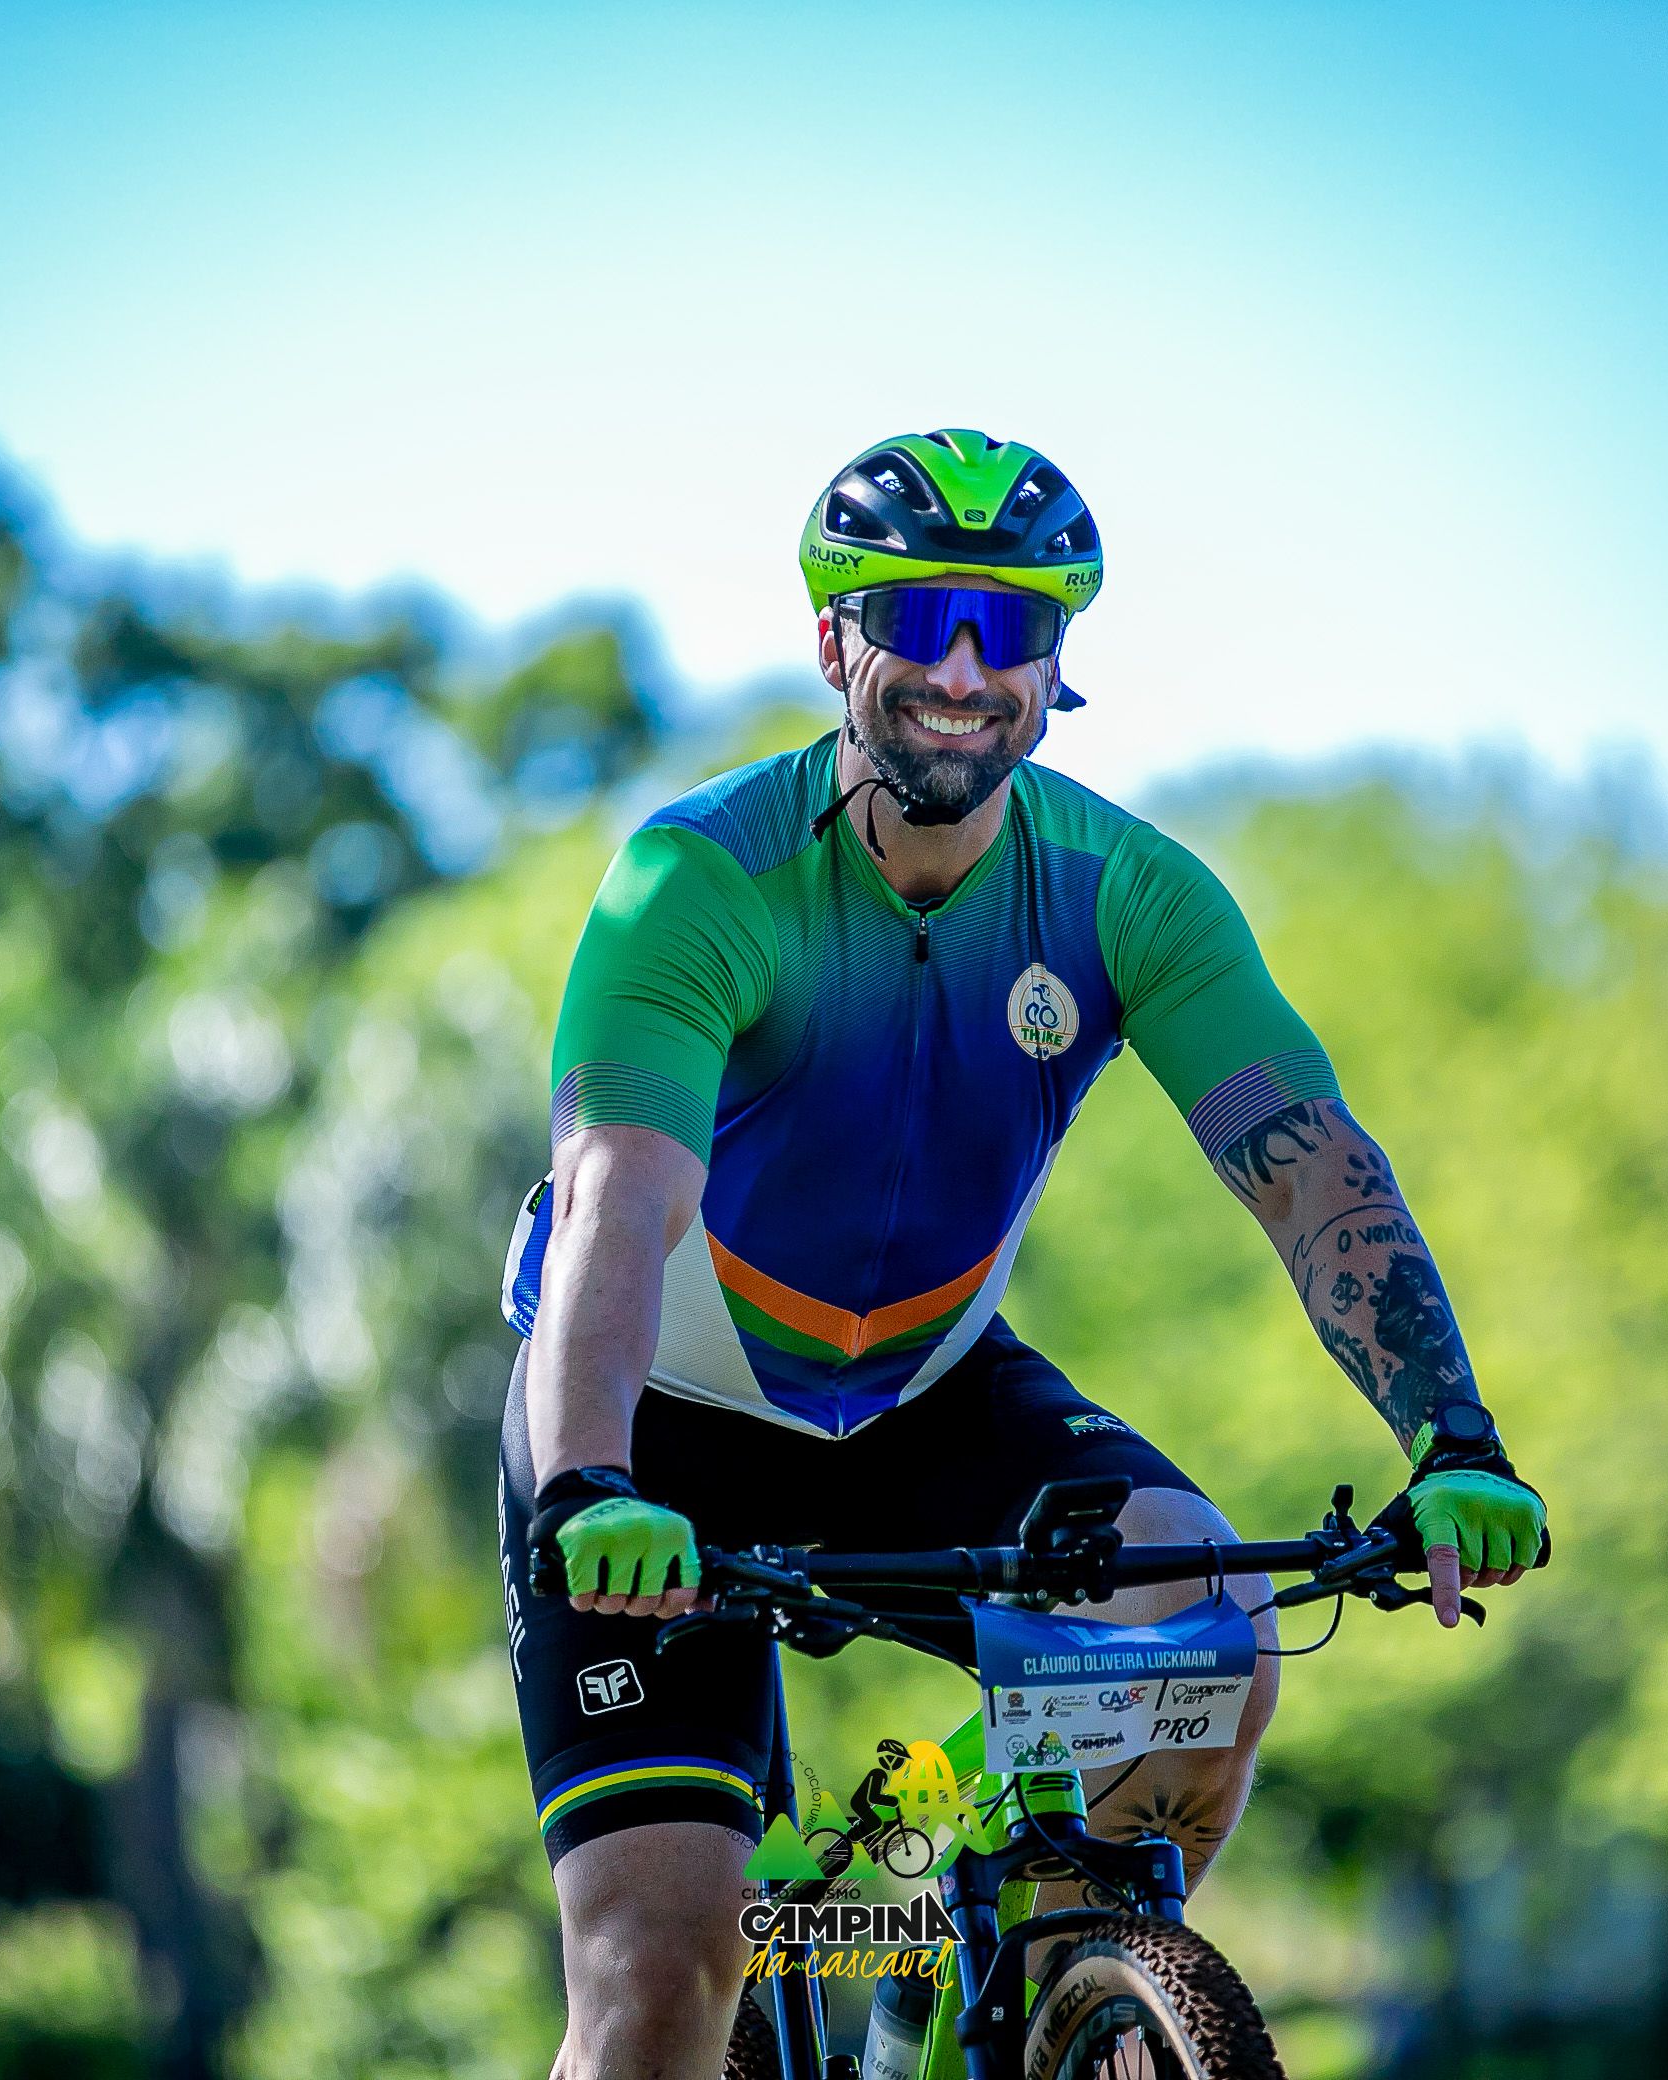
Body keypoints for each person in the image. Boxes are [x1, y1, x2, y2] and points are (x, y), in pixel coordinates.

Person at [494, 429, 1548, 2078]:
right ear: (834, 637)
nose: (966, 667)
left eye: (1016, 623)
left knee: (1208, 1618)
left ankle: (1016, 1984)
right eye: (921, 617)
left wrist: (1455, 1437)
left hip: (926, 1400)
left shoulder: (1130, 893)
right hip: (660, 1433)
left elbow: (1314, 1174)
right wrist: (588, 1484)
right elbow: (618, 1199)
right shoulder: (698, 881)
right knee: (660, 1977)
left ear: (1060, 657)